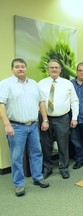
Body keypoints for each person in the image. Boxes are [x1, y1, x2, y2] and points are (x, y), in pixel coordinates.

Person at [0, 58, 50, 197]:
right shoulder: (5, 84)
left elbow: (41, 102)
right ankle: (19, 184)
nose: (20, 69)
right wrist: (6, 124)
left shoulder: (33, 84)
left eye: (22, 66)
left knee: (36, 153)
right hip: (16, 127)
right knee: (17, 157)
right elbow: (1, 105)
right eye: (17, 67)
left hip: (33, 126)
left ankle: (38, 178)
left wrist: (45, 119)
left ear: (26, 69)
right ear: (12, 69)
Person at [38, 59, 79, 179]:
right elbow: (38, 102)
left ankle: (64, 168)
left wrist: (75, 118)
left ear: (60, 70)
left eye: (56, 67)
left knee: (63, 144)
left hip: (62, 118)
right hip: (45, 118)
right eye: (52, 67)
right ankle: (47, 168)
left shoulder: (68, 83)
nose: (54, 69)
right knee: (46, 145)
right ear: (48, 69)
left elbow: (74, 101)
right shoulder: (41, 83)